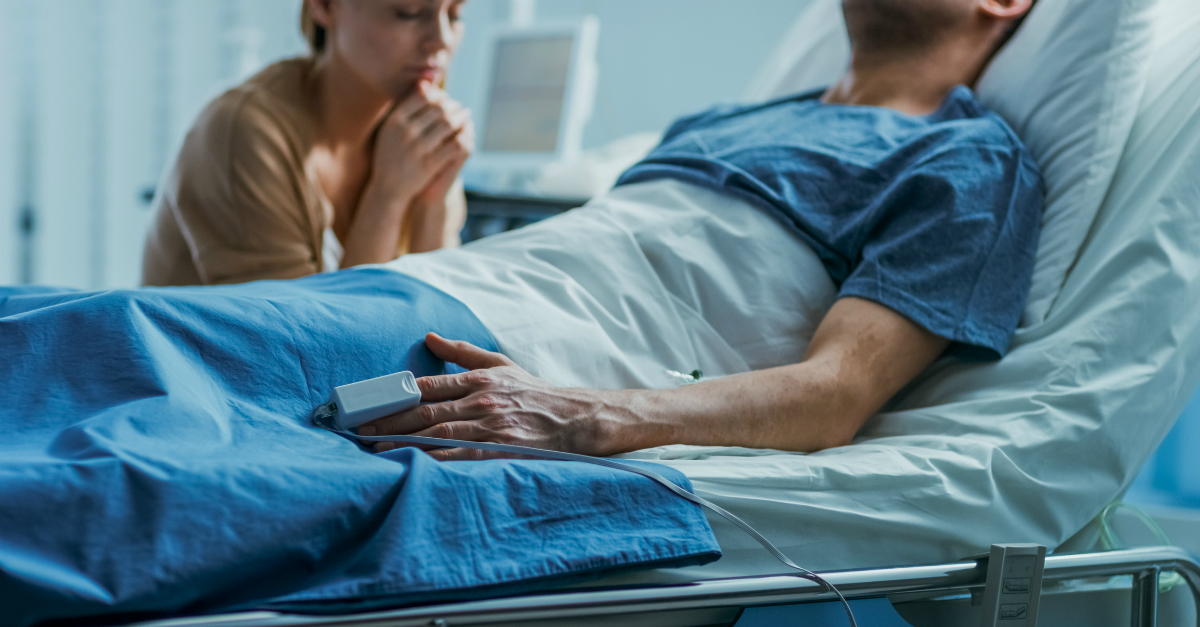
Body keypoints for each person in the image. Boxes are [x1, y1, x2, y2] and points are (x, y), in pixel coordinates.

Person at [363, 0, 1044, 459]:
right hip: (432, 296)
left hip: (492, 355)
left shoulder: (966, 161)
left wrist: (583, 415)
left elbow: (833, 395)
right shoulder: (720, 121)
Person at [141, 0, 473, 287]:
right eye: (409, 13)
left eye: (455, 14)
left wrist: (434, 200)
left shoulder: (417, 136)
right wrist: (387, 196)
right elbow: (314, 347)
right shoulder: (244, 132)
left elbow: (436, 320)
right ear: (325, 5)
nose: (441, 41)